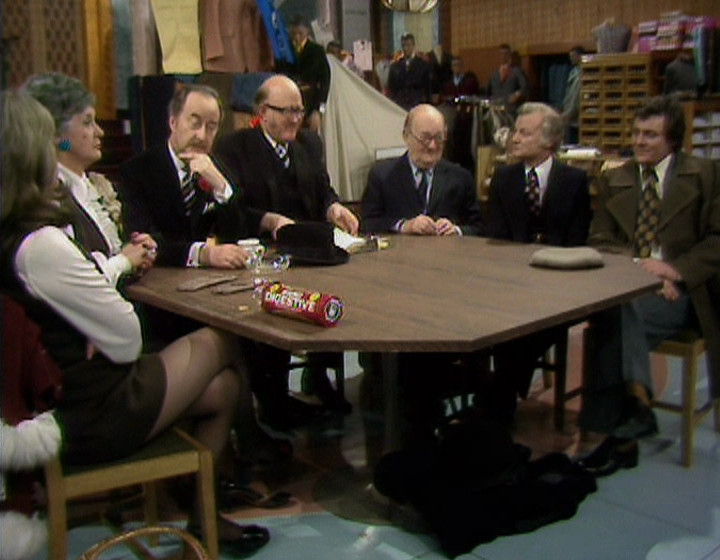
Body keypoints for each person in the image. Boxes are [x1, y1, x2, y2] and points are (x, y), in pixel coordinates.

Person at [0, 91, 270, 557]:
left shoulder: (12, 231)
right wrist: (103, 312)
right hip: (89, 410)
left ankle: (203, 519)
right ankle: (234, 473)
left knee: (225, 387)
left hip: (69, 390)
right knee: (225, 339)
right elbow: (127, 338)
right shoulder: (41, 243)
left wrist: (94, 316)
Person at [577, 95, 720, 476]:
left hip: (684, 291)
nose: (639, 141)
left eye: (650, 135)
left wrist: (672, 271)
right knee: (617, 309)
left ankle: (613, 430)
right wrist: (644, 272)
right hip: (634, 283)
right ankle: (633, 415)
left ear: (672, 140)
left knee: (613, 316)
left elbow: (716, 240)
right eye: (637, 132)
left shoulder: (705, 174)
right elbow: (601, 240)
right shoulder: (615, 177)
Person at [213, 74, 358, 425]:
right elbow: (230, 209)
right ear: (263, 112)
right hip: (264, 253)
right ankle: (274, 402)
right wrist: (267, 219)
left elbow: (324, 190)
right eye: (287, 111)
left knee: (344, 289)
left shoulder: (309, 144)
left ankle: (320, 376)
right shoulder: (235, 147)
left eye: (299, 110)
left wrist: (334, 207)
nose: (296, 118)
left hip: (311, 249)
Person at [483, 102, 592, 422]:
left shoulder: (573, 181)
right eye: (516, 131)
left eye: (524, 133)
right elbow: (495, 237)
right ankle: (497, 395)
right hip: (511, 282)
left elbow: (577, 241)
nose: (514, 138)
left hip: (559, 286)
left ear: (549, 141)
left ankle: (498, 398)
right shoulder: (504, 178)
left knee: (525, 328)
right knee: (501, 319)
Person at [118, 83, 289, 269]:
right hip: (157, 280)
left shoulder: (218, 166)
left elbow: (237, 234)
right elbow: (142, 242)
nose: (201, 135)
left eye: (211, 127)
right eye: (195, 123)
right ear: (173, 122)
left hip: (208, 281)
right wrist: (202, 254)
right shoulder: (137, 171)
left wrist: (221, 186)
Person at [22, 72, 156, 285]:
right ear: (57, 134)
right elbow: (72, 280)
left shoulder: (93, 186)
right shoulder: (48, 197)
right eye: (87, 122)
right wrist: (123, 261)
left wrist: (137, 252)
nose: (100, 132)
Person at [360, 103, 483, 236]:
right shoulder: (382, 175)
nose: (432, 146)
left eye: (439, 138)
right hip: (399, 255)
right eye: (425, 138)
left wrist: (457, 230)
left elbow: (479, 227)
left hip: (447, 254)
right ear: (406, 136)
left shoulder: (461, 178)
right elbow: (367, 224)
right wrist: (404, 226)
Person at [275, 15, 330, 133]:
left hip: (310, 105)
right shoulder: (285, 52)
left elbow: (325, 83)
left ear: (307, 32)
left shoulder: (317, 51)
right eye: (293, 34)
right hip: (288, 104)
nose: (297, 37)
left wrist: (319, 111)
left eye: (300, 33)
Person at [439, 56, 480, 172]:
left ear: (462, 67)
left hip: (466, 117)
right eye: (454, 65)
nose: (456, 68)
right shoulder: (447, 84)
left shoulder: (469, 81)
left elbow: (474, 96)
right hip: (451, 115)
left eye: (458, 65)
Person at [386, 32, 432, 111]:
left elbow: (427, 88)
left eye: (408, 45)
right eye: (403, 45)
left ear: (413, 45)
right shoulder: (395, 67)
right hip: (400, 105)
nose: (406, 48)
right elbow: (392, 88)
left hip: (417, 104)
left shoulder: (423, 65)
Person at [486, 44, 527, 118]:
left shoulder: (516, 72)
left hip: (510, 110)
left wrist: (516, 95)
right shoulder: (494, 74)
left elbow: (524, 88)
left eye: (506, 54)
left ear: (509, 55)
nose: (503, 56)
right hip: (495, 110)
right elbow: (487, 92)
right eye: (501, 54)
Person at [561, 46, 584, 144]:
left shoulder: (582, 73)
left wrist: (568, 113)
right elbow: (569, 94)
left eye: (573, 56)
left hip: (576, 117)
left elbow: (576, 96)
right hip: (569, 115)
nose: (571, 58)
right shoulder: (573, 72)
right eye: (570, 56)